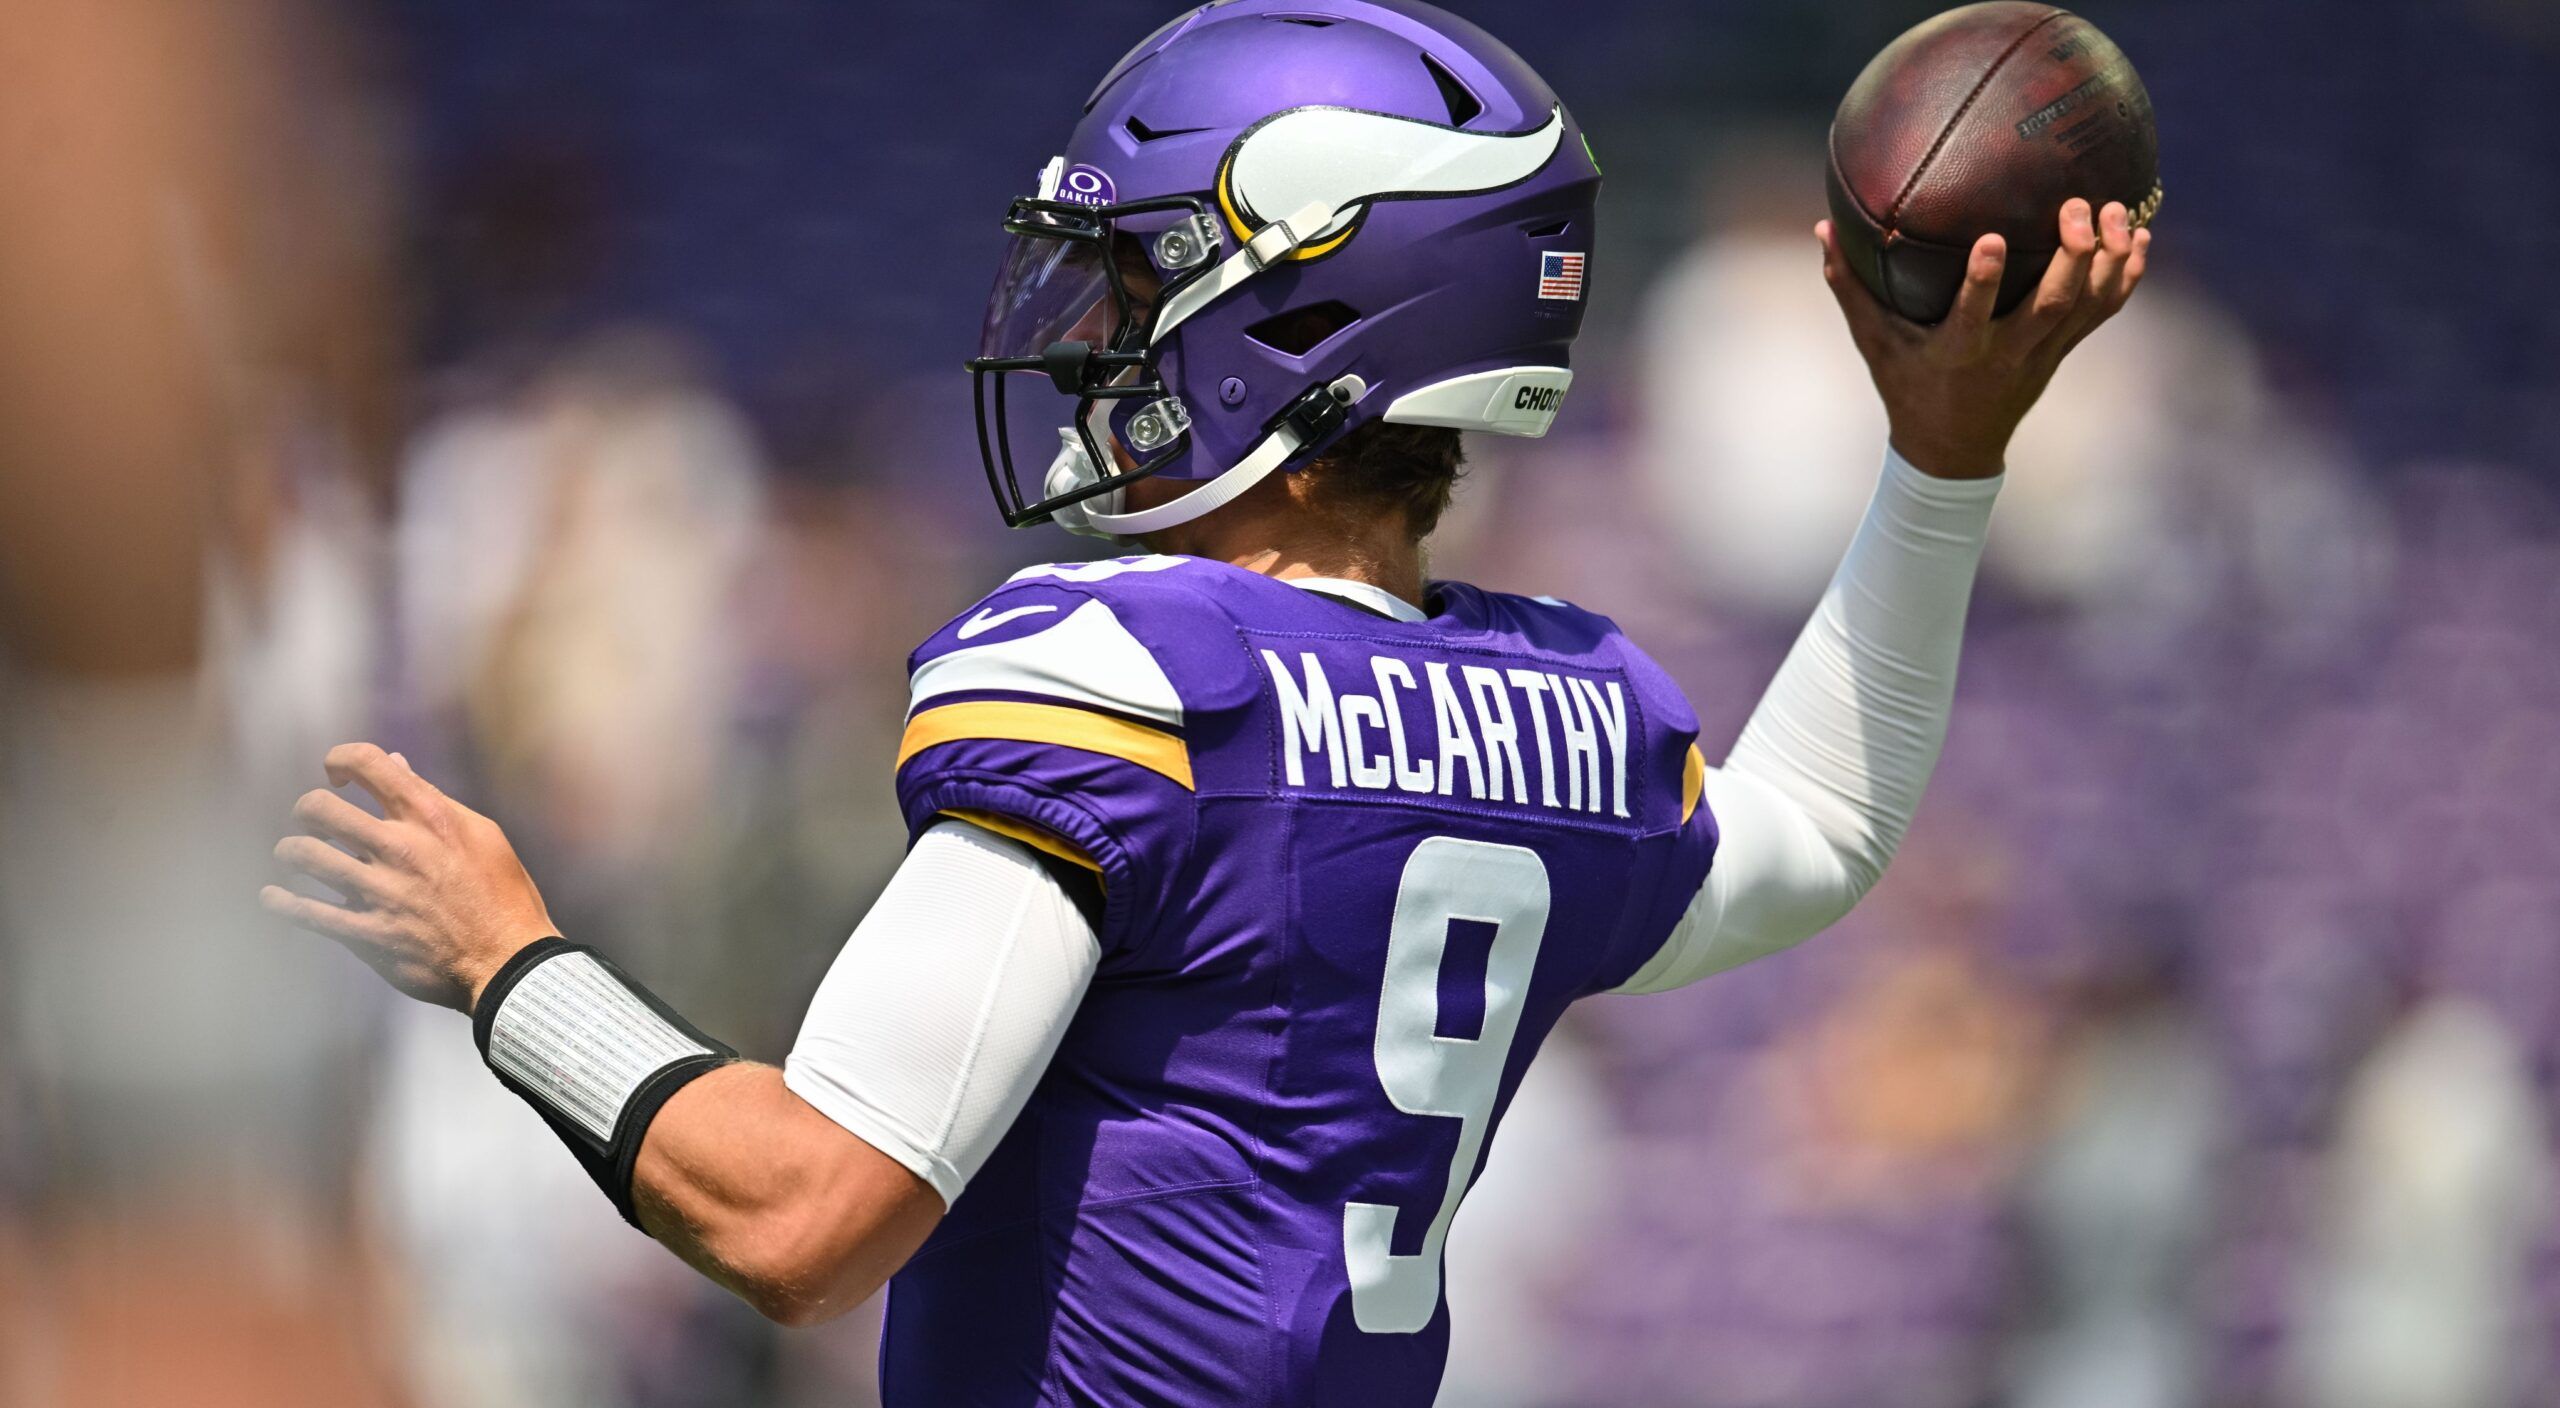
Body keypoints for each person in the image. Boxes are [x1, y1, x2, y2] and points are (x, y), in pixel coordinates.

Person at [261, 2, 2148, 1402]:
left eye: (1137, 285)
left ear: (1307, 329)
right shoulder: (1557, 708)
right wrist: (1943, 459)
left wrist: (509, 963)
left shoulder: (1130, 678)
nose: (1091, 341)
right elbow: (1818, 831)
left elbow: (800, 1218)